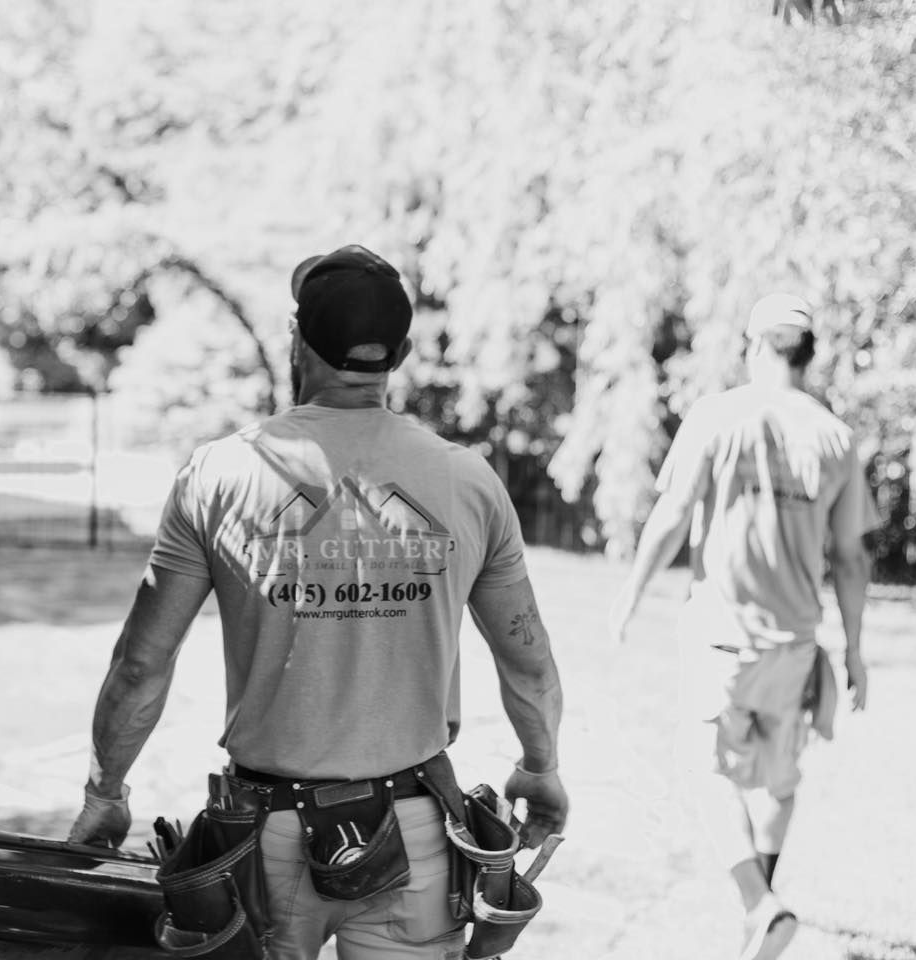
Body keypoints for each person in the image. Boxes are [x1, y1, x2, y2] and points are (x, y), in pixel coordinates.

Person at [67, 245, 569, 960]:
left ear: (297, 342)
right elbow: (529, 660)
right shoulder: (468, 482)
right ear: (397, 353)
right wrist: (539, 765)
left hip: (268, 842)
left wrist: (105, 790)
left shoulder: (221, 475)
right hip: (417, 832)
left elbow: (142, 664)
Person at [609, 293, 877, 960]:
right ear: (810, 357)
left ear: (755, 347)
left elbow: (672, 515)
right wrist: (857, 651)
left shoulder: (717, 415)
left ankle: (759, 904)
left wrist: (631, 596)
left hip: (721, 637)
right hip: (795, 643)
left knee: (705, 772)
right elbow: (848, 556)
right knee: (779, 782)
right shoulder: (837, 438)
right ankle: (763, 913)